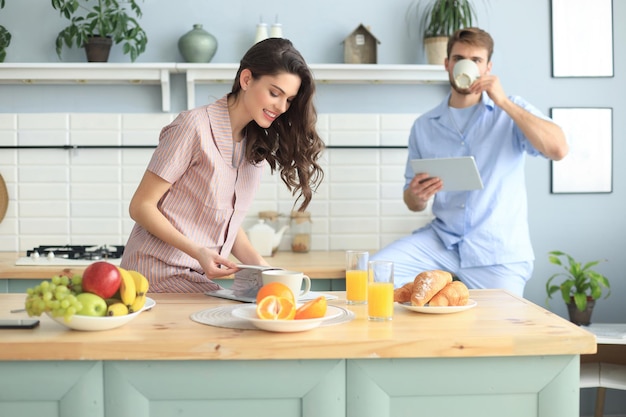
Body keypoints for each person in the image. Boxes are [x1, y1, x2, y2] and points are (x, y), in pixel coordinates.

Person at [371, 28, 568, 297]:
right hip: (442, 242)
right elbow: (412, 202)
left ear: (487, 67)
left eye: (476, 59)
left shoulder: (510, 110)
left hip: (497, 252)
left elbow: (558, 149)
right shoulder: (424, 126)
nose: (467, 64)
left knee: (498, 336)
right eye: (459, 57)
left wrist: (503, 101)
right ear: (448, 64)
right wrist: (417, 195)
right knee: (374, 272)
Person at [120, 38, 324, 293]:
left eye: (289, 100)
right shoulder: (193, 127)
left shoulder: (255, 146)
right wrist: (199, 252)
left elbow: (226, 224)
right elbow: (141, 206)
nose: (281, 107)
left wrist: (270, 272)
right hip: (154, 275)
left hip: (196, 280)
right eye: (275, 93)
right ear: (247, 79)